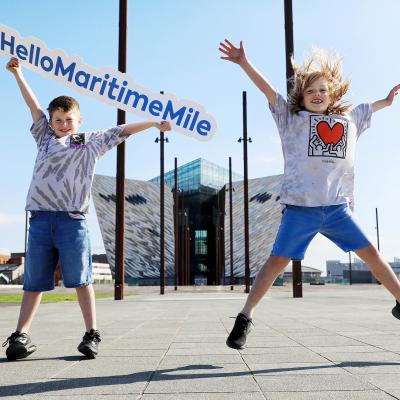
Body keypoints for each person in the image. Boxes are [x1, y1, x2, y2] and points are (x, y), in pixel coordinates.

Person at [219, 39, 400, 349]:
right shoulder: (291, 120)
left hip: (336, 209)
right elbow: (267, 90)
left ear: (332, 95)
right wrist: (244, 63)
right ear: (301, 97)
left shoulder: (348, 120)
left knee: (371, 254)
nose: (317, 95)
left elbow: (370, 108)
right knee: (275, 263)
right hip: (300, 209)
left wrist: (386, 100)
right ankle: (245, 318)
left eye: (322, 91)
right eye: (310, 91)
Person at [2, 57, 171, 361]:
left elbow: (123, 130)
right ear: (51, 122)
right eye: (58, 120)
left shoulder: (89, 141)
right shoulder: (44, 137)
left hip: (72, 220)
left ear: (79, 120)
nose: (63, 125)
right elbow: (33, 106)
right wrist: (18, 74)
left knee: (81, 279)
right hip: (40, 220)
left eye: (68, 120)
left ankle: (91, 333)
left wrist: (153, 123)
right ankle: (20, 335)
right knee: (34, 282)